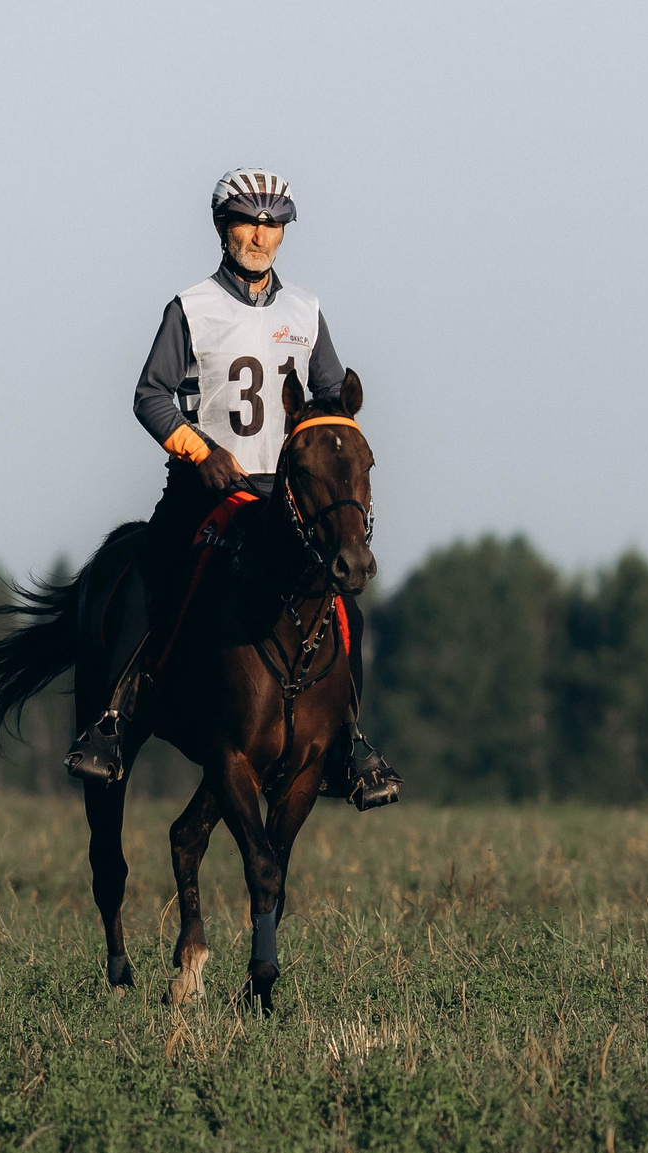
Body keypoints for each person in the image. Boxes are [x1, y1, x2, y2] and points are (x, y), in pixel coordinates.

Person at [64, 168, 401, 808]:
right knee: (149, 571)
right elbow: (150, 395)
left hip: (285, 496)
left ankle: (349, 740)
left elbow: (329, 400)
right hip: (208, 485)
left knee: (339, 600)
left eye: (272, 224)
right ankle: (110, 720)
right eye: (249, 221)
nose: (260, 235)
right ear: (223, 227)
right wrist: (201, 451)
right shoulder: (190, 308)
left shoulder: (307, 311)